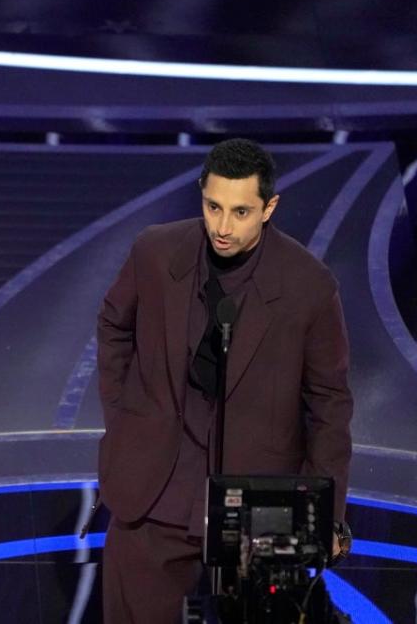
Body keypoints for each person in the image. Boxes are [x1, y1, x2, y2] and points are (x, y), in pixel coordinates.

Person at [97, 138, 352, 622]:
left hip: (256, 509)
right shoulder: (155, 253)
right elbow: (113, 324)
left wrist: (328, 515)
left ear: (269, 207)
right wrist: (125, 413)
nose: (223, 226)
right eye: (213, 206)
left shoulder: (309, 286)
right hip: (154, 493)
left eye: (240, 212)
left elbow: (329, 403)